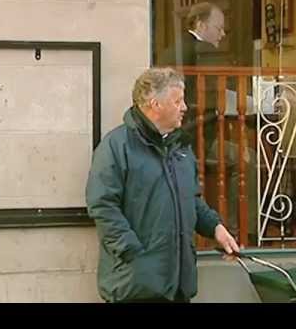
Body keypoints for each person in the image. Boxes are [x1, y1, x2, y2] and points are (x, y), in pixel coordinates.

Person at [85, 67, 240, 303]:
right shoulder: (116, 146)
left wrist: (215, 228)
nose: (184, 107)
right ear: (155, 104)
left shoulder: (181, 148)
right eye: (177, 101)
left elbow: (192, 200)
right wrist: (132, 253)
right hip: (135, 287)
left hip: (179, 285)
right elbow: (102, 206)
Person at [164, 2, 258, 241]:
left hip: (184, 135)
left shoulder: (174, 49)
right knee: (247, 159)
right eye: (219, 28)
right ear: (201, 25)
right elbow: (220, 91)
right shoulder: (203, 51)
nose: (222, 34)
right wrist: (256, 103)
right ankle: (239, 230)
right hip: (196, 138)